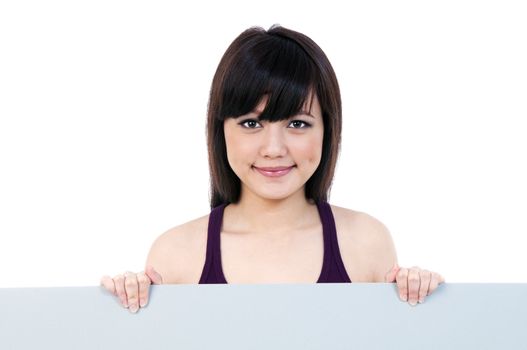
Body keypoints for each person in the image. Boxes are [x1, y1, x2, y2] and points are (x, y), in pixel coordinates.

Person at [100, 24, 445, 313]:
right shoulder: (175, 253)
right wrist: (118, 310)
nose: (274, 149)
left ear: (328, 130)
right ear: (220, 130)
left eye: (297, 123)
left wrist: (427, 303)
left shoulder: (366, 242)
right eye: (251, 124)